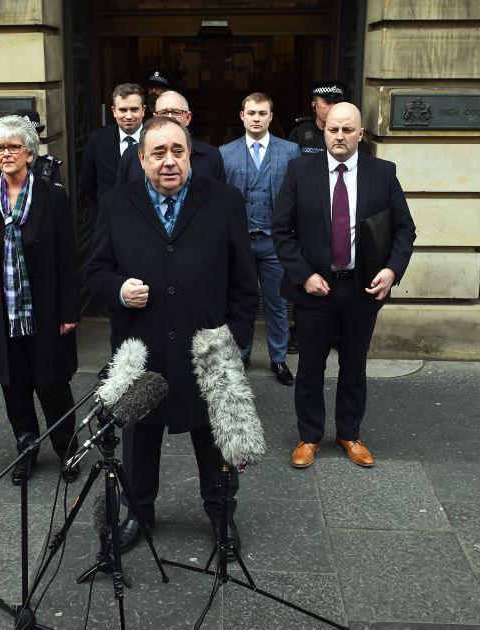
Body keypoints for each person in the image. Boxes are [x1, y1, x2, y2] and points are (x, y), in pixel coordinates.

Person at [86, 116, 258, 557]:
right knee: (140, 444)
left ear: (190, 156)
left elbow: (245, 284)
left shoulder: (225, 202)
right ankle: (138, 513)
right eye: (158, 153)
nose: (169, 162)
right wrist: (119, 289)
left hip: (206, 354)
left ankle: (222, 518)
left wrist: (232, 342)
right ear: (142, 159)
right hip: (142, 353)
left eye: (177, 152)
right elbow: (94, 274)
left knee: (213, 445)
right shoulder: (116, 204)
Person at [272, 103, 416, 469]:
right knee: (309, 367)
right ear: (324, 131)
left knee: (354, 366)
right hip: (314, 288)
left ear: (360, 134)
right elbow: (281, 231)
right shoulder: (300, 170)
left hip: (360, 287)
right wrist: (304, 274)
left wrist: (392, 271)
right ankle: (309, 436)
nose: (339, 136)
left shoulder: (382, 173)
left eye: (347, 130)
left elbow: (405, 229)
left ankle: (349, 434)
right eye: (333, 129)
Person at [0, 115, 81, 484]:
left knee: (52, 384)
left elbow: (67, 258)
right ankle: (26, 446)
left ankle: (67, 448)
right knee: (13, 385)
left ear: (30, 152)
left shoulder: (54, 197)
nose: (6, 154)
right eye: (0, 148)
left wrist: (69, 310)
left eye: (14, 147)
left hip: (45, 312)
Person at [219, 93, 300, 386]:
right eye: (251, 113)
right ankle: (241, 353)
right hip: (239, 241)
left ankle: (278, 359)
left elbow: (297, 197)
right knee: (240, 301)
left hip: (274, 240)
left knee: (277, 302)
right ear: (242, 115)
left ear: (270, 116)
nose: (256, 118)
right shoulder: (225, 152)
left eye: (262, 113)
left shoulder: (290, 151)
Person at [114, 91, 226, 186]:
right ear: (155, 118)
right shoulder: (132, 155)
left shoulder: (211, 156)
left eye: (176, 112)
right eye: (163, 113)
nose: (170, 118)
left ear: (188, 118)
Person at [79, 83, 146, 206]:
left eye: (134, 109)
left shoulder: (156, 139)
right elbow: (88, 183)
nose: (129, 116)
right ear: (114, 111)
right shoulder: (97, 140)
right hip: (109, 216)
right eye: (123, 110)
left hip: (147, 216)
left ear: (143, 110)